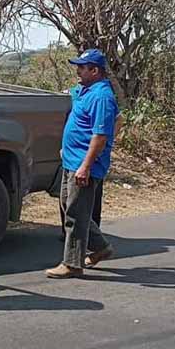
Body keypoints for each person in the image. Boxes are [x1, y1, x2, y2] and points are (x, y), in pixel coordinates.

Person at [47, 48, 118, 279]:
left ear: (94, 70)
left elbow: (100, 136)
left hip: (83, 165)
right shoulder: (87, 91)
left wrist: (86, 166)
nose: (77, 70)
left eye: (82, 67)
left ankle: (72, 263)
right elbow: (76, 98)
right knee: (71, 208)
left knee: (75, 215)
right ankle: (101, 247)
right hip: (71, 160)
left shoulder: (102, 97)